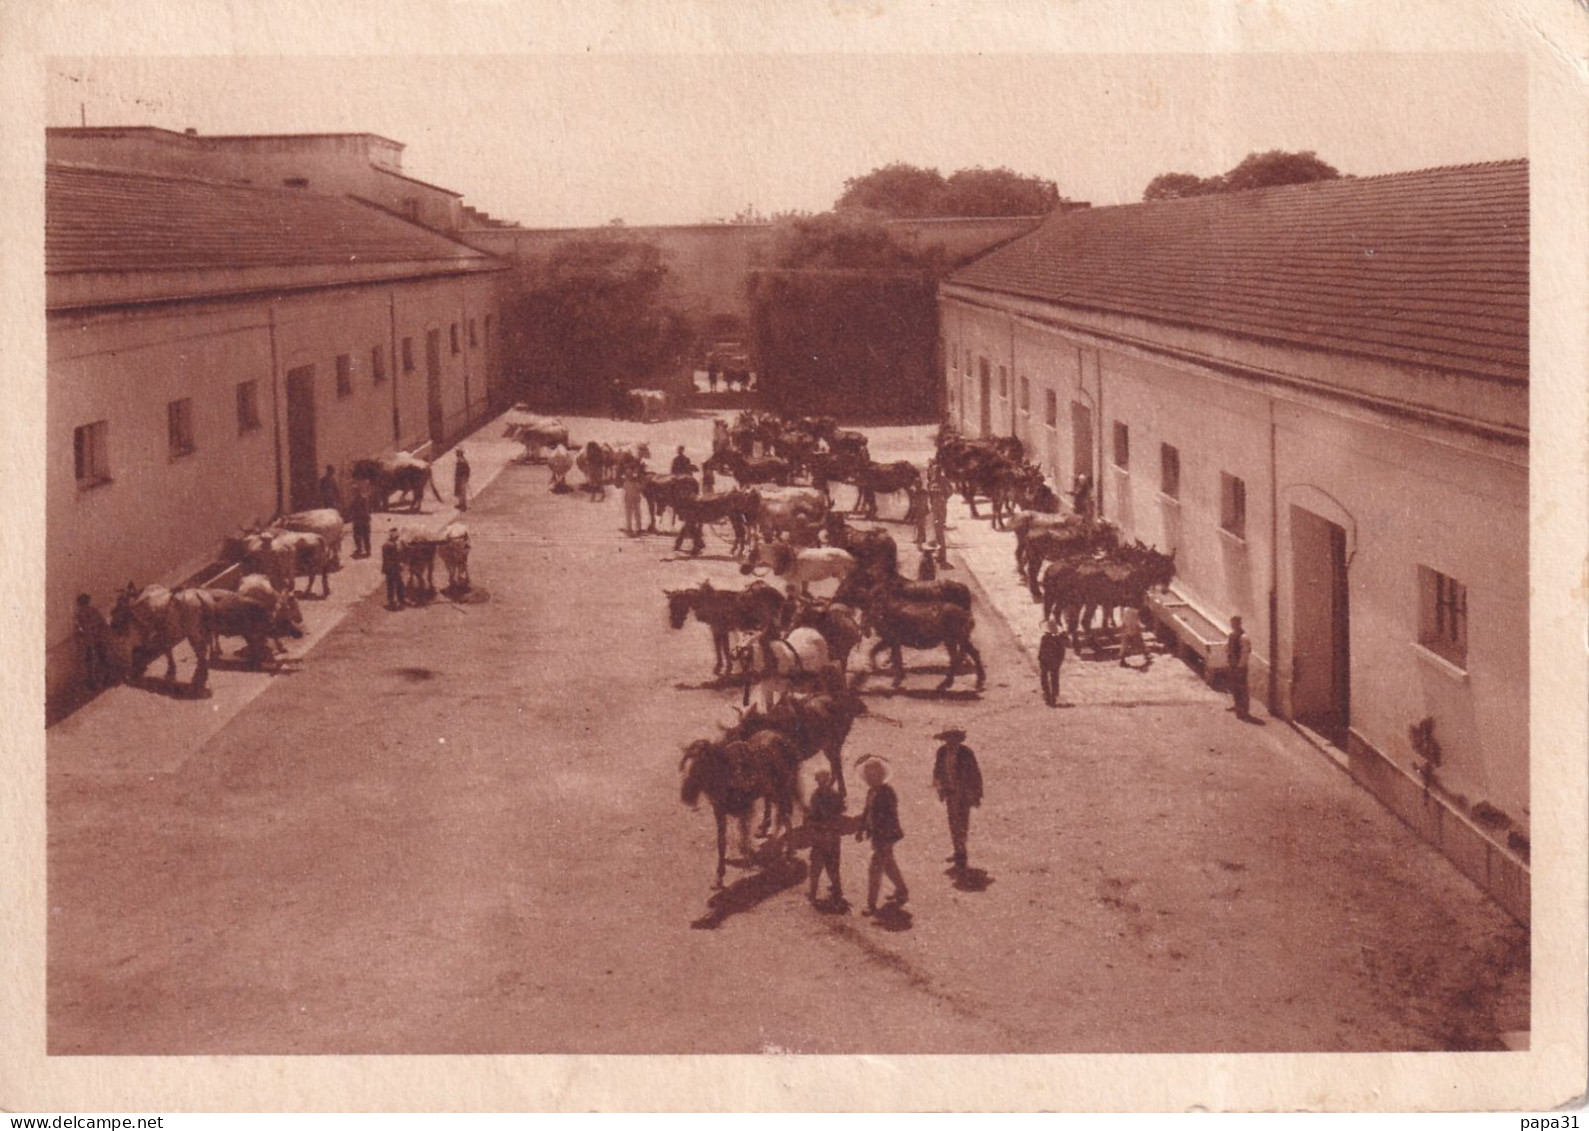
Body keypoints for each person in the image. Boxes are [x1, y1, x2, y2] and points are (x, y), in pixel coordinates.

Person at [856, 757, 908, 915]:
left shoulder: (887, 792)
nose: (871, 779)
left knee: (875, 868)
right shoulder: (871, 791)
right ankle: (902, 890)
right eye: (869, 776)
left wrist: (884, 839)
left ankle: (871, 904)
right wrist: (861, 829)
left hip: (886, 836)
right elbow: (867, 811)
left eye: (874, 776)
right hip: (878, 836)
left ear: (881, 775)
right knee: (888, 864)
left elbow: (890, 817)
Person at [932, 728, 983, 870]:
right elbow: (937, 770)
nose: (950, 741)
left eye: (954, 738)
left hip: (964, 793)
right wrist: (939, 788)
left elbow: (975, 773)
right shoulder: (941, 752)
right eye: (948, 737)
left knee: (962, 823)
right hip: (950, 792)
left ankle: (961, 853)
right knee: (953, 823)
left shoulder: (966, 753)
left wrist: (976, 794)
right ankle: (958, 851)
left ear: (959, 739)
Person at [805, 768, 847, 907]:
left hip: (820, 836)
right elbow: (842, 811)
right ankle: (837, 890)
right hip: (834, 836)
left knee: (816, 866)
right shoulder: (836, 795)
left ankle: (812, 894)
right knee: (833, 865)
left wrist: (811, 827)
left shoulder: (816, 796)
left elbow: (812, 816)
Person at [74, 593, 113, 691]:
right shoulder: (93, 611)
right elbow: (102, 623)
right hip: (98, 639)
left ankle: (92, 683)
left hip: (88, 641)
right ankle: (106, 679)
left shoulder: (79, 615)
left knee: (90, 662)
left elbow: (78, 629)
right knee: (102, 658)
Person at [1226, 615, 1252, 720]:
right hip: (1233, 665)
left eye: (1234, 623)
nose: (1232, 625)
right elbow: (1229, 648)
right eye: (1232, 623)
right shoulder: (1232, 635)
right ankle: (1237, 706)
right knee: (1234, 687)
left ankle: (1244, 710)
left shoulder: (1243, 637)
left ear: (1239, 624)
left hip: (1240, 667)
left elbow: (1245, 653)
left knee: (1241, 688)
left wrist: (1240, 666)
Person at [1038, 617, 1067, 706]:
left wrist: (1040, 658)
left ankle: (1047, 694)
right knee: (1054, 678)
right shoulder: (1058, 639)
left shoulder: (1044, 638)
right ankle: (1054, 694)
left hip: (1045, 660)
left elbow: (1041, 650)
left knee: (1044, 677)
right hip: (1055, 661)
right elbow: (1062, 651)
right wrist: (1059, 660)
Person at [927, 466, 951, 569]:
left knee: (940, 533)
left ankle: (942, 556)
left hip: (940, 509)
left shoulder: (943, 480)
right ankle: (939, 554)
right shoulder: (932, 481)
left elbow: (950, 491)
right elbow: (929, 493)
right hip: (934, 508)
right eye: (934, 471)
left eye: (937, 471)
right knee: (936, 533)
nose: (935, 473)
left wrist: (944, 499)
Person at [381, 528, 406, 610]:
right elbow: (392, 557)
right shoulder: (389, 545)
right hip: (392, 568)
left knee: (392, 585)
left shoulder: (388, 544)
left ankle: (393, 600)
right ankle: (398, 600)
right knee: (398, 584)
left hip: (391, 568)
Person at [346, 483, 373, 558]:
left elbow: (351, 510)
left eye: (353, 492)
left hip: (358, 520)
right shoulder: (364, 499)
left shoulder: (354, 501)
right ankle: (368, 550)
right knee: (366, 535)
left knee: (357, 535)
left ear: (355, 492)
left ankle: (359, 548)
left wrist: (349, 516)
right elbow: (368, 509)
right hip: (365, 520)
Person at [621, 464, 645, 536]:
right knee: (636, 514)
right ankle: (637, 528)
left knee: (630, 514)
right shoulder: (635, 482)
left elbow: (625, 489)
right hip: (634, 499)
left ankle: (630, 528)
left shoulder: (626, 482)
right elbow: (640, 488)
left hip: (629, 499)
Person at [905, 481, 929, 546]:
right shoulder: (923, 492)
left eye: (916, 484)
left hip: (920, 510)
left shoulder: (918, 492)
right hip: (922, 509)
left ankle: (919, 538)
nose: (916, 485)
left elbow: (916, 503)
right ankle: (923, 537)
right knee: (921, 524)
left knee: (919, 524)